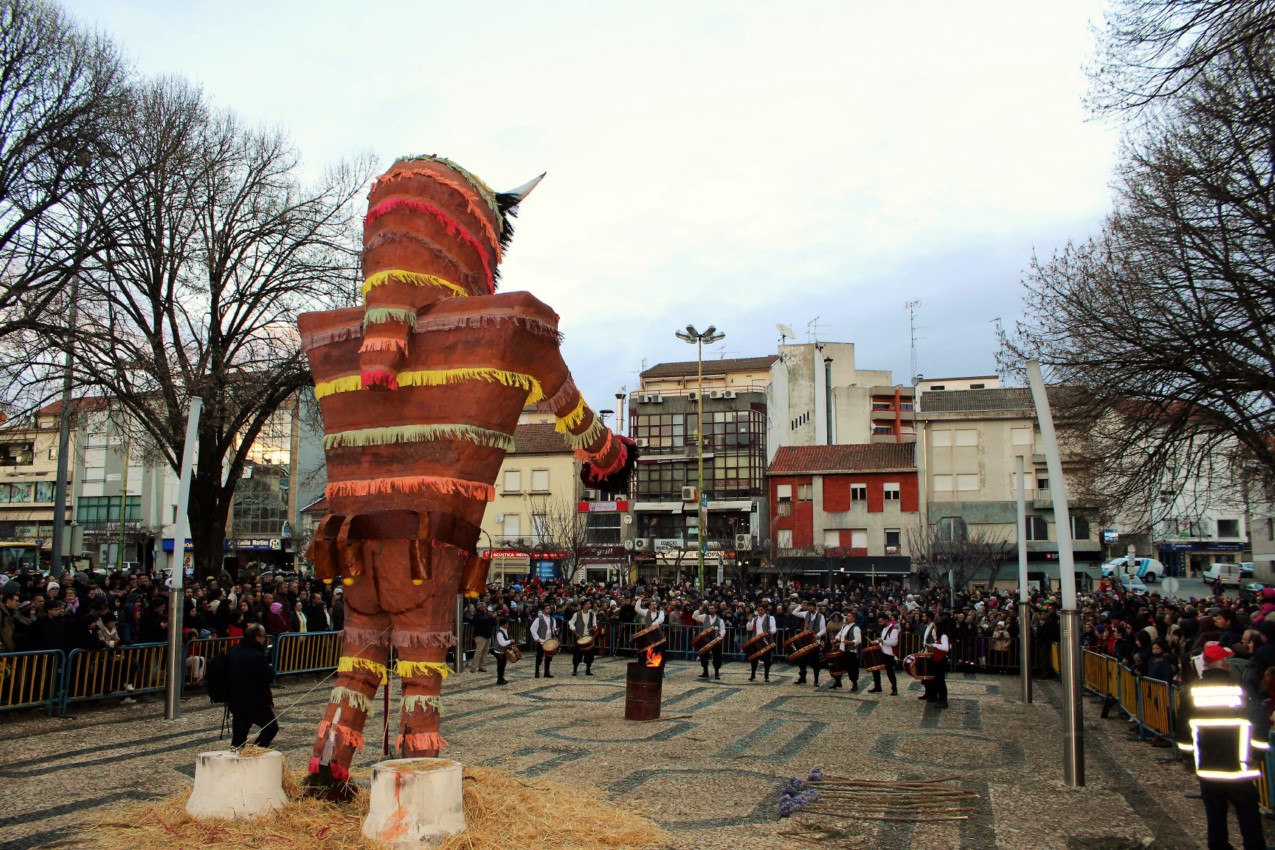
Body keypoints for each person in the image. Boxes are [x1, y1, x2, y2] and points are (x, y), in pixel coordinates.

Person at [1175, 642, 1268, 850]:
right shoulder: (1239, 689)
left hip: (1208, 764)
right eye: (1226, 660)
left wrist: (1188, 757)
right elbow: (1259, 721)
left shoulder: (1191, 692)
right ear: (1222, 663)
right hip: (1240, 764)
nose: (1229, 663)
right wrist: (1257, 753)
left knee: (1215, 814)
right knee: (1248, 814)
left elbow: (1182, 728)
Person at [227, 623, 279, 748]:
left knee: (239, 738)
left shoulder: (234, 651)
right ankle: (255, 752)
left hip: (236, 700)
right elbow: (267, 676)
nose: (264, 639)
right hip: (255, 702)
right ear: (256, 637)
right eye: (263, 636)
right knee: (271, 728)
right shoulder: (256, 656)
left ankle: (237, 758)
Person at [793, 601, 827, 687]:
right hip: (805, 641)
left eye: (811, 606)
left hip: (814, 641)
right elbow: (794, 612)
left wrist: (817, 635)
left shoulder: (820, 616)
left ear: (815, 607)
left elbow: (823, 629)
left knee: (815, 661)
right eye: (808, 606)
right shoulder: (806, 614)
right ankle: (803, 677)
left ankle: (816, 680)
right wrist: (800, 606)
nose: (809, 608)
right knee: (802, 660)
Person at [693, 602, 727, 680]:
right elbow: (694, 616)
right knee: (703, 656)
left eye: (712, 608)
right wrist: (699, 610)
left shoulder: (720, 620)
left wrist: (720, 637)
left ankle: (717, 673)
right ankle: (705, 672)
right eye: (710, 608)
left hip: (716, 640)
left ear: (715, 609)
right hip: (705, 640)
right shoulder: (705, 617)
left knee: (717, 656)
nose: (711, 610)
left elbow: (723, 629)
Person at [868, 612, 899, 695]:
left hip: (888, 653)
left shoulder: (894, 630)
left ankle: (894, 688)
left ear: (886, 620)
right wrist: (876, 641)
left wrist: (882, 641)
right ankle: (878, 687)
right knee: (875, 669)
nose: (880, 623)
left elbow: (894, 642)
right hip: (881, 651)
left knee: (890, 671)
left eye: (881, 621)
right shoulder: (884, 629)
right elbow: (882, 639)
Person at [830, 613, 861, 691]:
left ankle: (854, 684)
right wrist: (836, 640)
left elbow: (858, 640)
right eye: (847, 616)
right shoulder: (844, 626)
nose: (847, 617)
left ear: (853, 619)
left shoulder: (856, 628)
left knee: (852, 668)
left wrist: (850, 642)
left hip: (850, 651)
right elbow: (840, 635)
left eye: (849, 616)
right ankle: (837, 682)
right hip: (842, 650)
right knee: (838, 666)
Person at [747, 604, 777, 683]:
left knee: (767, 659)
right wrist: (750, 621)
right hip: (756, 640)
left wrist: (770, 632)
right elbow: (749, 628)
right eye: (758, 610)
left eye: (761, 610)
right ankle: (753, 675)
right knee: (754, 658)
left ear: (764, 610)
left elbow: (774, 628)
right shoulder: (755, 619)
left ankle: (766, 676)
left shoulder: (770, 617)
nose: (760, 611)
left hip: (765, 640)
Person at [929, 617, 952, 709]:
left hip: (941, 661)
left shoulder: (943, 636)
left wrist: (935, 645)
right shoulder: (942, 636)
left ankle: (943, 700)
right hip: (938, 660)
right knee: (938, 681)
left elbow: (946, 647)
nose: (934, 629)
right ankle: (940, 698)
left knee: (941, 681)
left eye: (935, 627)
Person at [570, 600, 597, 676]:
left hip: (589, 637)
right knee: (577, 654)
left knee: (589, 655)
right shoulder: (577, 614)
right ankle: (575, 670)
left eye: (589, 604)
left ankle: (588, 670)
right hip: (579, 637)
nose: (589, 605)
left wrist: (595, 627)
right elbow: (571, 622)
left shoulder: (592, 615)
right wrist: (573, 628)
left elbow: (595, 624)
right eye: (587, 604)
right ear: (583, 605)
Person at [530, 604, 558, 679]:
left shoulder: (553, 619)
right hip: (541, 640)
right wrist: (537, 638)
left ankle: (546, 672)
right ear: (543, 610)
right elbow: (532, 628)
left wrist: (556, 631)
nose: (548, 610)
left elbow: (553, 629)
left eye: (549, 608)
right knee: (539, 657)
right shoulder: (539, 619)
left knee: (548, 657)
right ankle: (537, 672)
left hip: (549, 641)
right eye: (546, 608)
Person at [469, 604, 494, 673]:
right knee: (479, 651)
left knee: (485, 651)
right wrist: (490, 616)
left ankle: (482, 666)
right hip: (480, 635)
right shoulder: (477, 614)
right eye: (484, 606)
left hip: (488, 635)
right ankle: (473, 667)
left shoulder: (487, 614)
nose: (485, 608)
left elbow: (492, 622)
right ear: (480, 607)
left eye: (485, 606)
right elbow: (483, 620)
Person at [919, 611, 937, 702]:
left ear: (929, 618)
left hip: (931, 654)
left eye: (924, 616)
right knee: (925, 674)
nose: (922, 618)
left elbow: (936, 641)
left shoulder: (933, 628)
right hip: (926, 652)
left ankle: (933, 694)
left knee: (930, 675)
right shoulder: (928, 627)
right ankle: (928, 693)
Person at [493, 616, 514, 686]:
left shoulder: (505, 631)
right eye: (507, 624)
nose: (508, 625)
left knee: (503, 665)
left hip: (503, 652)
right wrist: (510, 641)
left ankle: (501, 678)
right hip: (499, 652)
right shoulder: (499, 633)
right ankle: (499, 679)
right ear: (503, 624)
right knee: (500, 665)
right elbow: (502, 643)